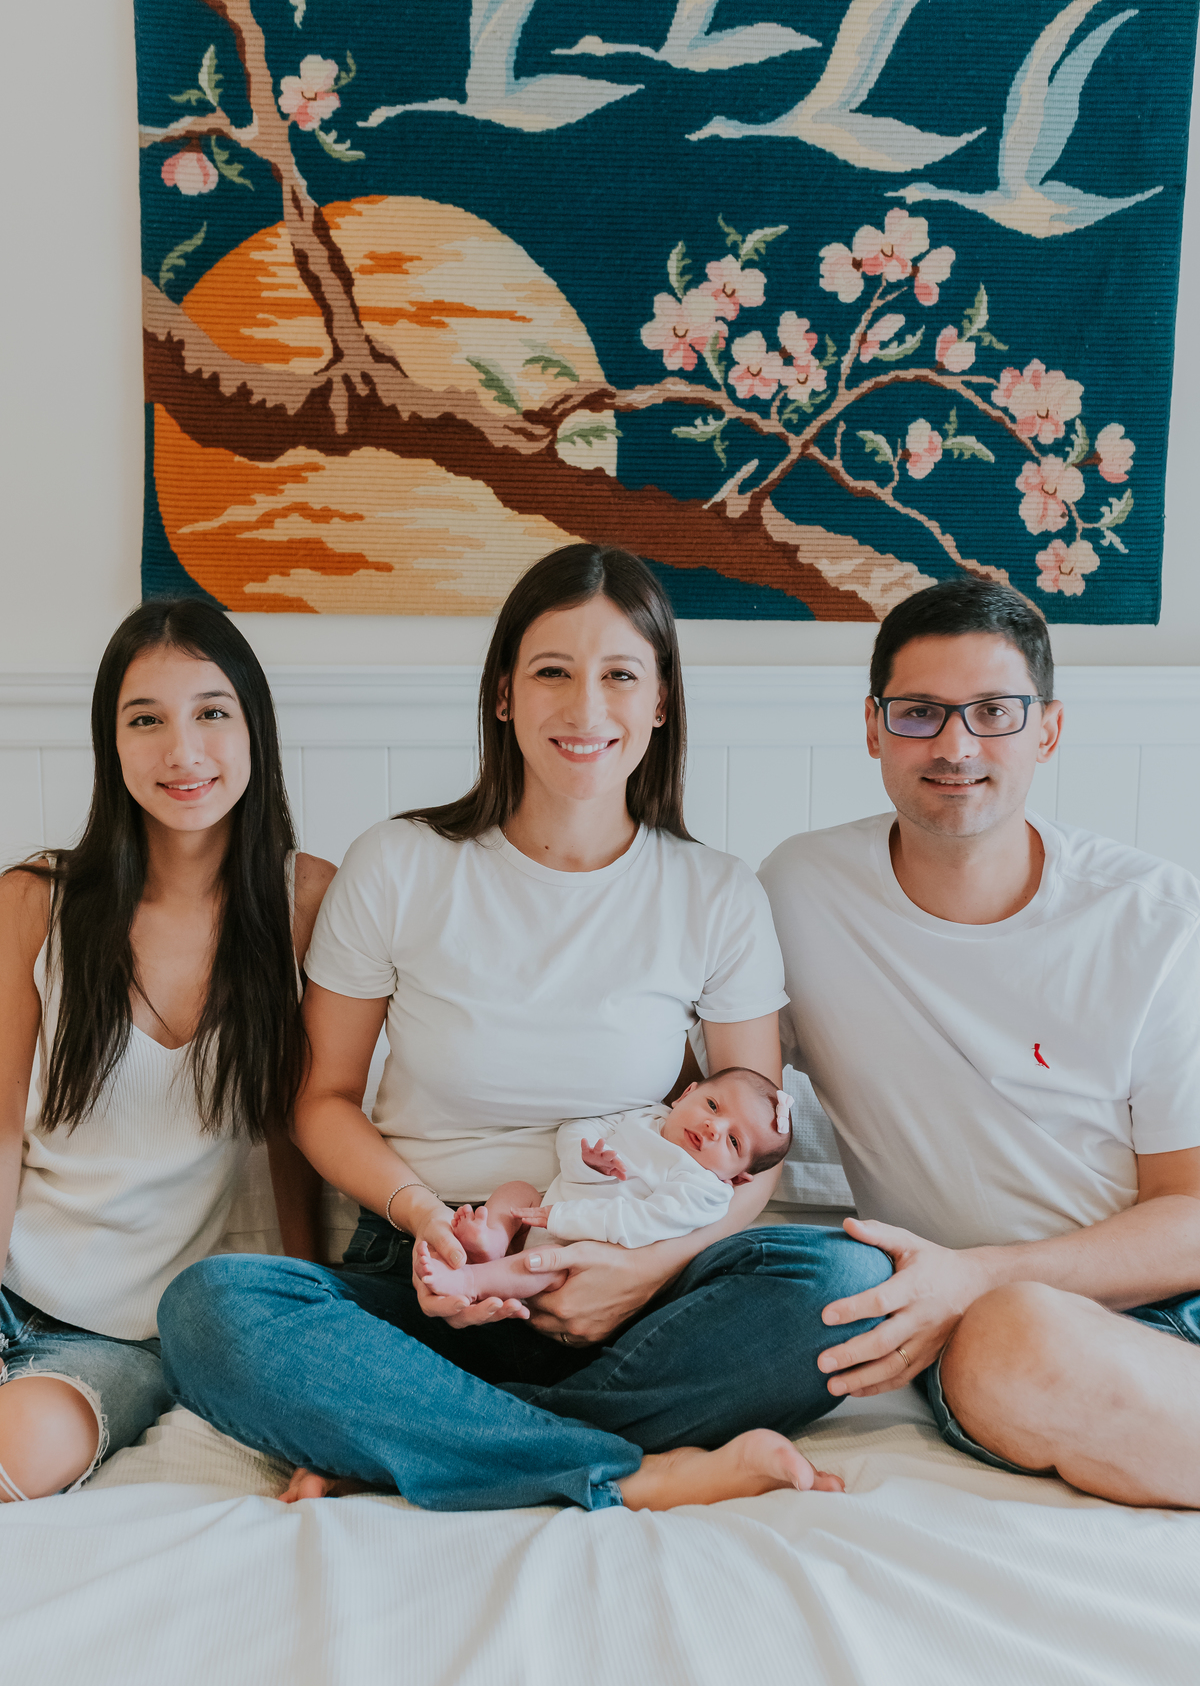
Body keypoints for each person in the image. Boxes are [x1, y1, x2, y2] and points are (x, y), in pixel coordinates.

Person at [158, 544, 888, 1514]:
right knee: (212, 1310)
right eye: (552, 672)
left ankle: (417, 1437)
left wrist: (638, 1273)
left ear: (661, 701)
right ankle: (634, 1467)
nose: (585, 710)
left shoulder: (717, 894)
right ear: (503, 694)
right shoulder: (401, 864)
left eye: (620, 675)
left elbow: (750, 1163)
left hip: (631, 1285)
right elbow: (319, 1098)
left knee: (840, 1277)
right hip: (430, 1275)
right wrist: (426, 1219)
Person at [759, 576, 1200, 1509]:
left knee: (1011, 1322)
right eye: (920, 713)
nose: (956, 747)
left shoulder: (1153, 918)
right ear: (874, 727)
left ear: (1047, 729)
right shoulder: (799, 891)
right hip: (994, 1345)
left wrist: (978, 1277)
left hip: (1165, 1306)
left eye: (994, 712)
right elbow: (723, 1097)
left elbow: (1192, 1212)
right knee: (1011, 1341)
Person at [0, 601, 334, 1502]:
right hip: (9, 1282)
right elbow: (1, 1140)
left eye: (211, 712)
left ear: (254, 726)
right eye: (145, 719)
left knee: (14, 1460)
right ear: (111, 742)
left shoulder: (304, 904)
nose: (181, 751)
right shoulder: (35, 901)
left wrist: (304, 1327)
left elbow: (298, 1131)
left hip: (118, 1335)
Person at [414, 1068, 796, 1302]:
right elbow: (578, 1127)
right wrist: (585, 1157)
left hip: (583, 1252)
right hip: (542, 1212)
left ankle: (470, 1280)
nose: (715, 1127)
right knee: (516, 1190)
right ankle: (494, 1239)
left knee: (546, 1268)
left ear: (738, 1178)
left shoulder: (705, 1189)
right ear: (687, 1093)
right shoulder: (648, 1115)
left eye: (733, 1142)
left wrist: (563, 1217)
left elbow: (642, 1220)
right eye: (713, 1106)